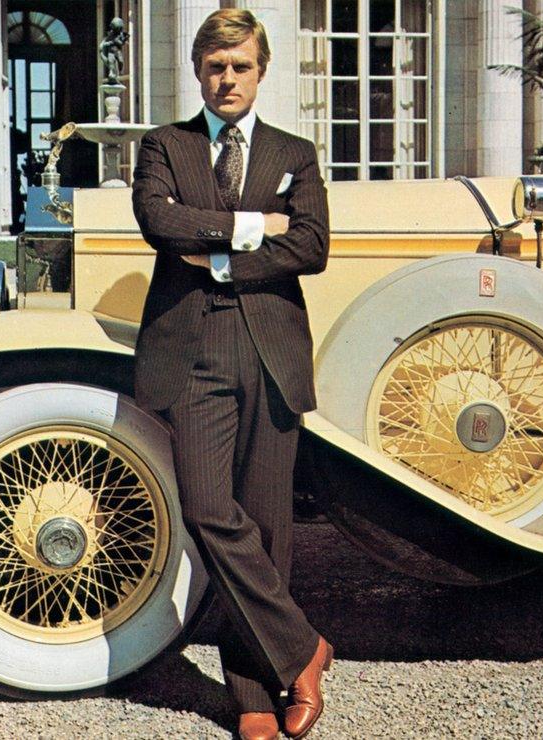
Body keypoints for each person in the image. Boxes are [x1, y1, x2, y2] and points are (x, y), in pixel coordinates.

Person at [131, 9, 331, 740]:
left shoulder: (294, 153)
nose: (227, 80)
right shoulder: (165, 146)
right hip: (193, 350)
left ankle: (256, 697)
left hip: (271, 348)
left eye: (240, 66)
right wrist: (255, 227)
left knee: (269, 526)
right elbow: (160, 221)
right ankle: (304, 649)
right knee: (210, 509)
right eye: (215, 68)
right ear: (198, 71)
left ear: (261, 70)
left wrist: (214, 248)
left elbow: (311, 245)